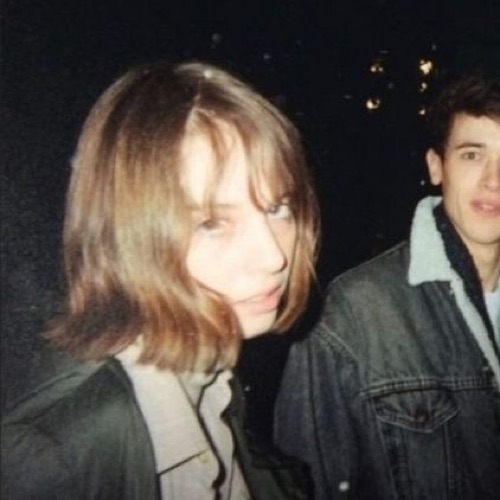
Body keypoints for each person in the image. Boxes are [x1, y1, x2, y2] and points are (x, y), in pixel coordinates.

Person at [1, 61, 319, 499]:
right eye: (212, 223)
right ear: (126, 233)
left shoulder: (215, 382)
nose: (273, 256)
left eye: (277, 208)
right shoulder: (57, 459)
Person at [275, 72, 500, 499]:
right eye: (473, 155)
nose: (494, 179)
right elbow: (304, 485)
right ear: (436, 166)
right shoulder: (354, 315)